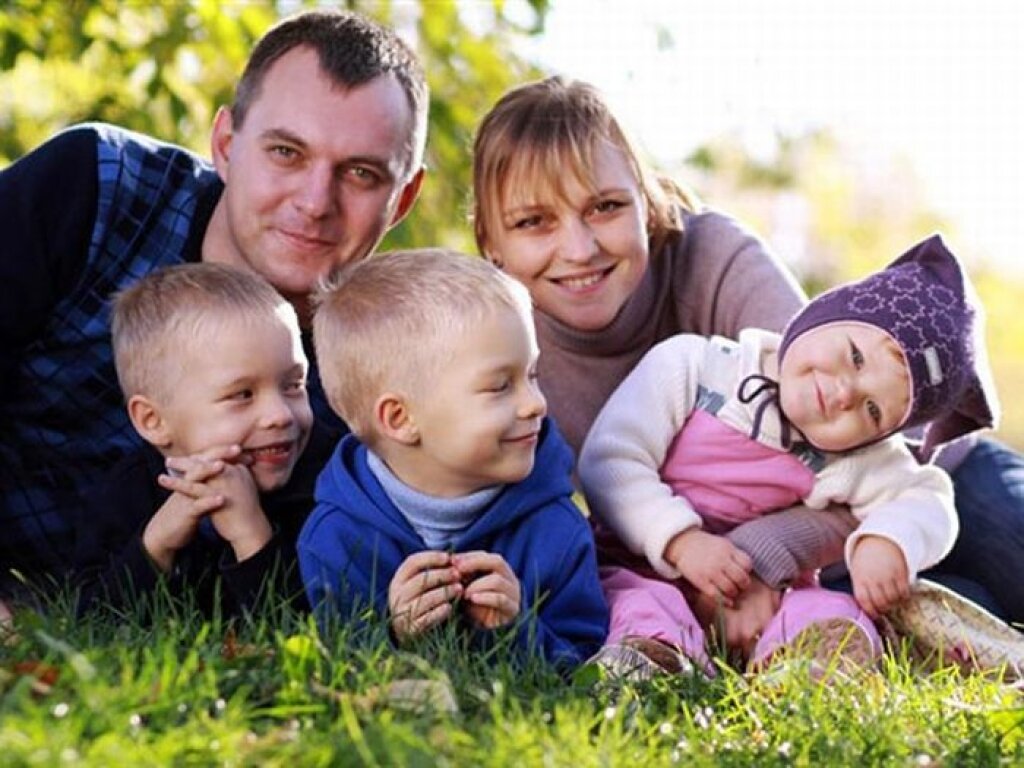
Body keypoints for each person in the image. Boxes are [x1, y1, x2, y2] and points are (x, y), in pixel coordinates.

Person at [470, 75, 1024, 658]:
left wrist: (760, 556)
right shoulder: (494, 348)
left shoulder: (711, 256)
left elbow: (840, 436)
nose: (580, 249)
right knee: (958, 611)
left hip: (919, 479)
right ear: (490, 242)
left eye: (605, 207)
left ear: (647, 203)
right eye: (533, 222)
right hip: (801, 569)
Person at [0, 9, 427, 600]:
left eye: (360, 173)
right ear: (226, 144)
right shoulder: (99, 189)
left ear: (402, 199)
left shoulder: (373, 380)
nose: (314, 202)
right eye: (287, 152)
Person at [578, 235, 998, 670]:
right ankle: (654, 659)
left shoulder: (853, 457)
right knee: (640, 603)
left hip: (760, 596)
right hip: (640, 562)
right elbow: (611, 461)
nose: (844, 393)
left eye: (873, 410)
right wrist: (681, 543)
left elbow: (927, 497)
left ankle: (812, 670)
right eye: (855, 356)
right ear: (822, 314)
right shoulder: (696, 367)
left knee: (830, 611)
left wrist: (887, 540)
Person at [298, 249, 608, 669]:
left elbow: (584, 664)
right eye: (500, 386)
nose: (535, 403)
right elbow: (338, 666)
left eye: (532, 375)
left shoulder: (556, 527)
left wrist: (515, 630)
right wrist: (394, 635)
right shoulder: (336, 538)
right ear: (400, 419)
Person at [74, 263, 336, 616]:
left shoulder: (329, 484)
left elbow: (311, 629)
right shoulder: (126, 494)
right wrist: (156, 545)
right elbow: (95, 623)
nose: (281, 415)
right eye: (242, 395)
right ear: (153, 421)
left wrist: (251, 535)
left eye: (293, 386)